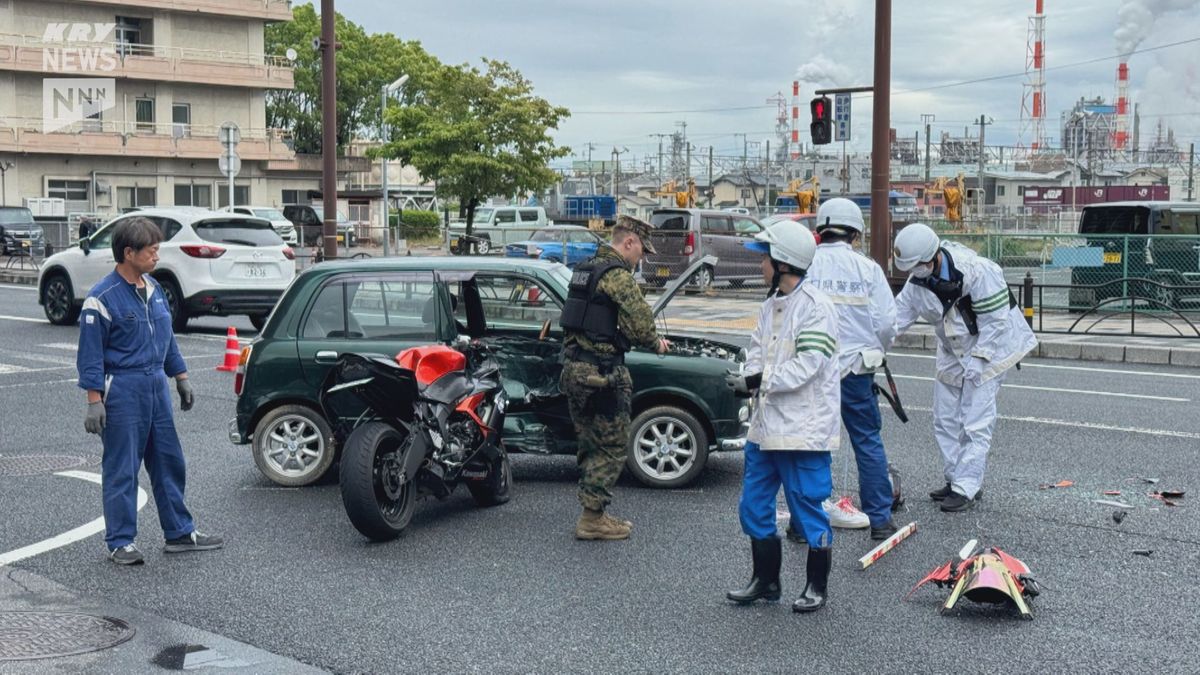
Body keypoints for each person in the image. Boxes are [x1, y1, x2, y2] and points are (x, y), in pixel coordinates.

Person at [77, 217, 223, 565]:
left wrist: (181, 376)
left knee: (169, 461)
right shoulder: (101, 298)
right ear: (129, 252)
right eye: (151, 250)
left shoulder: (155, 289)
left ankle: (179, 532)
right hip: (123, 388)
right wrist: (94, 400)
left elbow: (166, 337)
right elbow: (91, 355)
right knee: (122, 467)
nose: (157, 256)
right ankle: (121, 541)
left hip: (156, 384)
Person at [724, 220, 841, 614]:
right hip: (766, 426)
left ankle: (815, 586)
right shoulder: (769, 306)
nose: (761, 266)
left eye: (765, 259)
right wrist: (748, 377)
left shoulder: (817, 308)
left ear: (784, 263)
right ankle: (766, 581)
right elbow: (755, 352)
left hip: (802, 431)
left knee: (807, 506)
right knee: (753, 507)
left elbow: (809, 365)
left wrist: (759, 379)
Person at [892, 223, 1037, 512]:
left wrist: (981, 359)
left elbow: (996, 321)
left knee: (975, 420)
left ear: (933, 256)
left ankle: (966, 486)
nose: (915, 271)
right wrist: (867, 344)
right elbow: (894, 320)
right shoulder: (915, 284)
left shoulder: (978, 270)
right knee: (944, 417)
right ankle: (954, 476)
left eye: (919, 265)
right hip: (951, 347)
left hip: (990, 346)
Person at [559, 215, 669, 540]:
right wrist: (656, 344)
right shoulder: (617, 275)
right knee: (612, 446)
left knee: (589, 442)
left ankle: (595, 511)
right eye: (641, 252)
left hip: (575, 370)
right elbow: (641, 327)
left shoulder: (584, 269)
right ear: (629, 242)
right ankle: (593, 519)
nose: (641, 259)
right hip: (603, 374)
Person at [801, 197, 900, 541]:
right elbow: (888, 322)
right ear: (855, 232)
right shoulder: (867, 268)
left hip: (812, 368)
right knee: (867, 441)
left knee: (812, 444)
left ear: (820, 229)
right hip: (856, 369)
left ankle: (804, 522)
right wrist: (874, 349)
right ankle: (880, 520)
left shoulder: (806, 263)